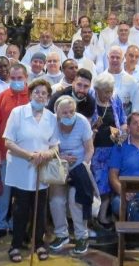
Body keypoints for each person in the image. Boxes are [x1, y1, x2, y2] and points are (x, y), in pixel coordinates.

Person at [2, 78, 58, 263]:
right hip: (21, 168)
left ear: (48, 97)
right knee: (20, 210)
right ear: (30, 94)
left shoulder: (51, 117)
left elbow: (55, 146)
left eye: (44, 93)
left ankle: (39, 243)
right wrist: (28, 155)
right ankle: (16, 244)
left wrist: (45, 154)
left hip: (40, 171)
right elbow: (8, 142)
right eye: (37, 92)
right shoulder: (17, 113)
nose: (40, 96)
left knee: (40, 210)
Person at [0, 62, 30, 242]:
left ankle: (16, 225)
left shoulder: (34, 97)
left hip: (27, 155)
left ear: (26, 79)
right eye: (13, 78)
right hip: (5, 153)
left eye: (20, 78)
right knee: (2, 192)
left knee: (22, 194)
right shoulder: (2, 97)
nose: (16, 81)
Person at [48, 96, 95, 256]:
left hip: (78, 166)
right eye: (64, 113)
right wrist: (60, 158)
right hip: (58, 165)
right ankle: (61, 235)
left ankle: (82, 236)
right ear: (57, 113)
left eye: (71, 112)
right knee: (56, 201)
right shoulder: (51, 122)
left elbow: (89, 149)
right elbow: (48, 146)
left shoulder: (82, 122)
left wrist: (83, 167)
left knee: (76, 200)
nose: (68, 115)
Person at [89, 71, 126, 229]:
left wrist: (120, 134)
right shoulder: (90, 99)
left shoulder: (115, 99)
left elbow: (123, 121)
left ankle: (104, 216)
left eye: (110, 90)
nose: (109, 94)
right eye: (105, 91)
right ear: (97, 90)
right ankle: (96, 216)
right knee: (99, 184)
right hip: (96, 149)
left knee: (111, 183)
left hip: (113, 147)